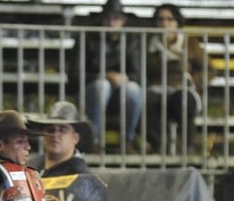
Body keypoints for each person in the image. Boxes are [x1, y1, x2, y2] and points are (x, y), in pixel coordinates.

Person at [81, 0, 143, 153]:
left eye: (116, 18)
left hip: (122, 93)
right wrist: (105, 76)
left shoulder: (132, 41)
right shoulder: (88, 38)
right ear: (101, 19)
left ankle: (129, 139)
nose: (111, 22)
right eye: (108, 18)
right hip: (92, 90)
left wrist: (125, 78)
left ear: (123, 21)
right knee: (102, 86)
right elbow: (76, 75)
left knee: (133, 89)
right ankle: (94, 141)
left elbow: (139, 75)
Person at [145, 4, 203, 154]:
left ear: (177, 22)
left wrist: (194, 80)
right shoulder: (147, 44)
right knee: (148, 101)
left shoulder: (189, 43)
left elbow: (209, 69)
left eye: (170, 19)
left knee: (182, 101)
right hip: (155, 89)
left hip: (182, 88)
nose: (165, 23)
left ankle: (188, 147)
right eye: (161, 19)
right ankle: (158, 147)